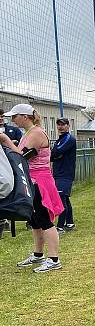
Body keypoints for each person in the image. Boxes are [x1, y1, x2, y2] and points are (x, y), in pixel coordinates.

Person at [0, 104, 64, 272]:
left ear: (25, 117)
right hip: (32, 180)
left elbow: (24, 157)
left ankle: (54, 259)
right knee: (34, 220)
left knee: (44, 219)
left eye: (14, 117)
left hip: (40, 182)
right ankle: (38, 254)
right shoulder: (29, 133)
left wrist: (6, 141)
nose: (12, 120)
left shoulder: (36, 133)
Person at [51, 117, 77, 232]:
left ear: (68, 126)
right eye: (58, 124)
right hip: (58, 173)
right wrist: (55, 155)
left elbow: (57, 152)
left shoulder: (69, 138)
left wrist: (55, 154)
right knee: (65, 198)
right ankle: (70, 223)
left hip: (65, 174)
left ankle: (60, 226)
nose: (60, 127)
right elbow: (54, 154)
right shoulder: (60, 139)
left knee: (61, 199)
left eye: (63, 124)